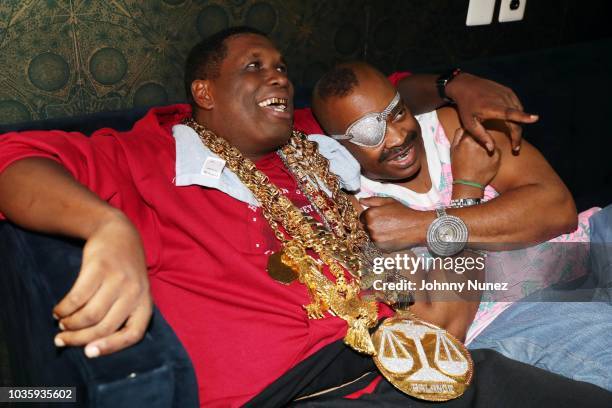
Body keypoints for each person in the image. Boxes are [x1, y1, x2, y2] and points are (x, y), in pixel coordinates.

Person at [0, 27, 610, 407]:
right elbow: (15, 159)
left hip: (420, 356)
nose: (279, 76)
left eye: (283, 66)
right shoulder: (146, 155)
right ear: (204, 92)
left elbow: (385, 93)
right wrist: (107, 227)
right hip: (306, 388)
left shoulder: (314, 141)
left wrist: (459, 81)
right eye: (254, 66)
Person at [310, 61, 612, 390]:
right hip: (519, 310)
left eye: (396, 112)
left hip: (592, 241)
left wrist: (421, 226)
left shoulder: (452, 124)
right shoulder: (359, 212)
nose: (397, 137)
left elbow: (558, 209)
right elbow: (443, 322)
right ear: (339, 145)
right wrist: (467, 188)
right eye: (370, 132)